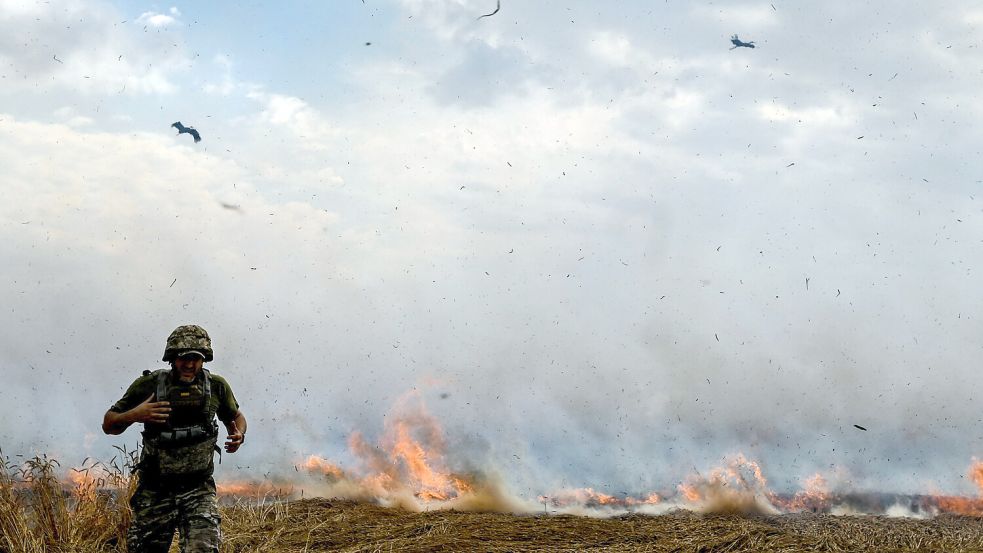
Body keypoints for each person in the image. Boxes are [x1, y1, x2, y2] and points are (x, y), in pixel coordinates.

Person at [102, 324, 247, 552]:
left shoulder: (216, 386)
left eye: (195, 358)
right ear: (171, 358)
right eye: (183, 358)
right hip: (155, 491)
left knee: (204, 547)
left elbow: (236, 417)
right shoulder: (150, 385)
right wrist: (136, 414)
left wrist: (238, 434)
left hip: (198, 489)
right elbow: (109, 425)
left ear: (204, 359)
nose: (189, 364)